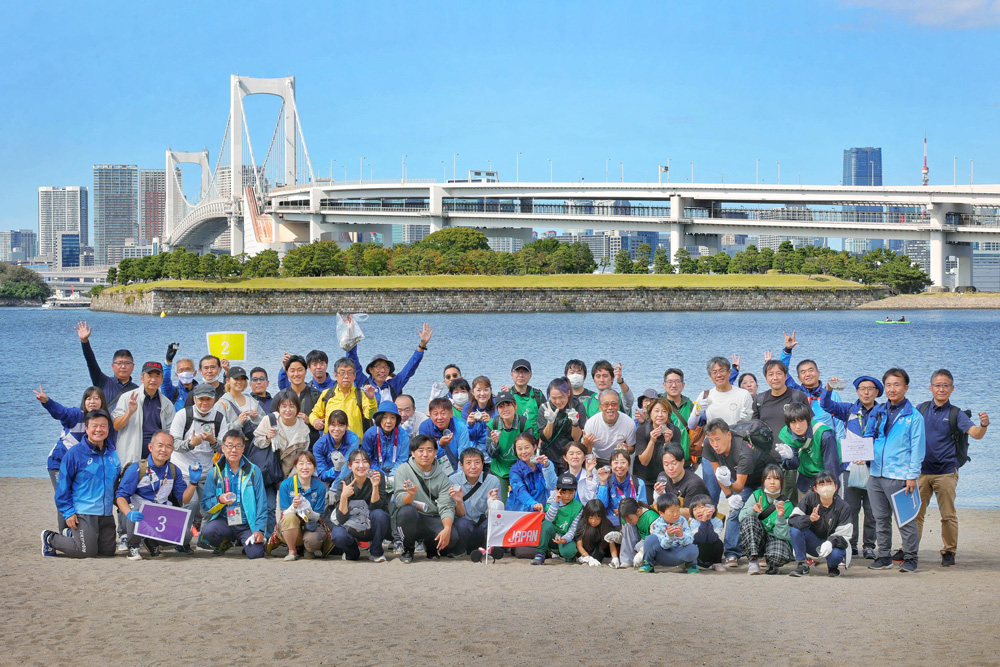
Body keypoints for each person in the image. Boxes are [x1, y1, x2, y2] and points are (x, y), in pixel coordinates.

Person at [915, 369, 989, 567]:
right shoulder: (921, 409)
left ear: (952, 388)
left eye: (946, 385)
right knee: (915, 514)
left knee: (948, 515)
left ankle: (949, 551)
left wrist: (983, 425)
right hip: (921, 472)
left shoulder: (956, 414)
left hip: (946, 472)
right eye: (938, 385)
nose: (941, 389)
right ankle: (910, 550)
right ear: (931, 388)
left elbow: (976, 434)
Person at [863, 368, 925, 573]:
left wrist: (912, 476)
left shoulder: (913, 416)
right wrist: (862, 453)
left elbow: (917, 449)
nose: (892, 389)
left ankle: (911, 558)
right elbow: (869, 436)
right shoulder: (878, 411)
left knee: (905, 520)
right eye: (888, 385)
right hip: (876, 475)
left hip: (900, 476)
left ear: (906, 388)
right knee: (880, 518)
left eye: (896, 385)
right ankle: (883, 556)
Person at [111, 360, 176, 553]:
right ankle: (124, 534)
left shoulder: (166, 404)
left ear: (161, 379)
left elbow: (170, 433)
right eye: (149, 375)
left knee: (154, 493)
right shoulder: (127, 398)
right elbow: (116, 425)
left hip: (156, 457)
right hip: (132, 455)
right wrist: (130, 412)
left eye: (157, 376)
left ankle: (148, 534)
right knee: (125, 493)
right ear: (141, 378)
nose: (153, 379)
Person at [42, 409, 121, 558]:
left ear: (108, 428)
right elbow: (62, 487)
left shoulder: (112, 453)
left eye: (103, 426)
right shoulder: (75, 453)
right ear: (86, 428)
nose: (99, 430)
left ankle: (73, 535)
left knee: (107, 552)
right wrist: (69, 513)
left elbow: (115, 483)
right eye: (94, 426)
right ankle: (49, 538)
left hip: (105, 513)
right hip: (84, 511)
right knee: (86, 551)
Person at [821, 375, 883, 559]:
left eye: (870, 388)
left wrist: (871, 456)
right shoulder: (849, 410)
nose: (866, 392)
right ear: (857, 391)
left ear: (877, 392)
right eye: (862, 388)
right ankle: (852, 544)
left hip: (873, 468)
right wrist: (828, 389)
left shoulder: (883, 412)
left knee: (872, 510)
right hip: (850, 467)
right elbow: (826, 405)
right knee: (850, 508)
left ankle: (869, 546)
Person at [114, 430, 201, 560]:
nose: (164, 450)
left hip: (160, 515)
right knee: (137, 510)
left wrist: (193, 482)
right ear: (151, 447)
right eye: (160, 445)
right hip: (137, 513)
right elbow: (120, 497)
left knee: (186, 536)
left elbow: (185, 499)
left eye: (168, 446)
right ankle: (133, 546)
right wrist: (128, 513)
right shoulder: (136, 468)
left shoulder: (173, 470)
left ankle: (151, 542)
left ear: (172, 450)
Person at [703, 418, 777, 567]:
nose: (715, 444)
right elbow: (719, 473)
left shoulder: (743, 453)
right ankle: (731, 553)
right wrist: (729, 496)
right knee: (735, 510)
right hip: (741, 479)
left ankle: (766, 552)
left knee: (766, 511)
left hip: (765, 477)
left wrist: (730, 487)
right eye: (711, 440)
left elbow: (739, 487)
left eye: (718, 439)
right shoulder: (709, 445)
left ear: (729, 435)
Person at [35, 385, 110, 531]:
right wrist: (47, 402)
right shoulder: (76, 415)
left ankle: (76, 531)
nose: (92, 401)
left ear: (102, 401)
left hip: (79, 467)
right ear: (84, 401)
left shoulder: (104, 421)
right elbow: (61, 412)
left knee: (78, 496)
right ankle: (64, 532)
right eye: (89, 398)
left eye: (96, 398)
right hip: (59, 463)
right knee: (64, 495)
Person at [688, 356, 754, 506]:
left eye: (722, 370)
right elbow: (691, 425)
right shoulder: (706, 395)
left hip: (735, 450)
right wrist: (697, 412)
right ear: (710, 376)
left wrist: (746, 419)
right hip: (712, 449)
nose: (718, 375)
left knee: (737, 492)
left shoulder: (743, 395)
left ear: (729, 372)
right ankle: (711, 520)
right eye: (714, 372)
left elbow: (749, 426)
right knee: (711, 494)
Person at [169, 382, 225, 552]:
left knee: (209, 507)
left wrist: (212, 441)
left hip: (206, 470)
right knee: (190, 504)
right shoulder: (182, 415)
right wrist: (190, 443)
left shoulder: (219, 418)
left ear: (214, 399)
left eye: (208, 399)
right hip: (183, 469)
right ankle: (182, 541)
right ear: (194, 399)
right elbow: (174, 444)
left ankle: (204, 539)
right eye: (201, 399)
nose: (204, 403)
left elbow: (224, 447)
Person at [199, 430, 268, 559]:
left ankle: (245, 542)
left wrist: (259, 529)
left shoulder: (254, 471)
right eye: (230, 446)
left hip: (247, 523)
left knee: (256, 554)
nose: (234, 450)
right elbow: (205, 503)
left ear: (243, 449)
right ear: (223, 448)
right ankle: (225, 542)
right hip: (224, 521)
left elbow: (261, 503)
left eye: (238, 446)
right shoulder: (215, 472)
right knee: (208, 532)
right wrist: (220, 499)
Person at [392, 434, 460, 563]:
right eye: (420, 450)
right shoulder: (403, 470)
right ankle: (408, 549)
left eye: (429, 450)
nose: (425, 454)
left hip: (432, 517)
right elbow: (400, 501)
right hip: (413, 517)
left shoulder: (442, 476)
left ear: (435, 452)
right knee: (406, 512)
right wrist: (411, 494)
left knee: (452, 537)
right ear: (413, 453)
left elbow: (446, 505)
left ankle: (431, 546)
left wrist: (447, 529)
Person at [753, 359, 810, 503]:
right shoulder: (760, 400)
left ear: (785, 376)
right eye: (771, 374)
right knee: (767, 501)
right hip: (767, 460)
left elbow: (809, 427)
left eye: (779, 373)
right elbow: (754, 429)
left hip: (792, 461)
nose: (775, 377)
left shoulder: (798, 397)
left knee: (790, 501)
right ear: (766, 378)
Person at [328, 449, 391, 562]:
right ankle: (352, 553)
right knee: (338, 534)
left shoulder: (377, 476)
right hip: (351, 526)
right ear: (349, 465)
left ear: (370, 464)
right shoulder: (344, 483)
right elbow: (341, 519)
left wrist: (375, 486)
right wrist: (344, 497)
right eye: (357, 462)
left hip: (371, 524)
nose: (361, 466)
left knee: (380, 515)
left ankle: (376, 552)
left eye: (365, 461)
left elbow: (377, 508)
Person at [787, 472, 853, 577]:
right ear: (815, 488)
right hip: (814, 542)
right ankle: (802, 565)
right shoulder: (809, 499)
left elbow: (845, 535)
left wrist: (830, 542)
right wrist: (809, 519)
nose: (826, 488)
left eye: (829, 484)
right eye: (821, 484)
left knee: (835, 555)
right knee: (795, 531)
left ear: (836, 487)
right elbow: (792, 520)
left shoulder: (843, 507)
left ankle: (833, 567)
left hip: (834, 545)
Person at [347, 323, 432, 402]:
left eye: (386, 367)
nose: (383, 370)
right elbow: (353, 361)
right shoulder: (362, 382)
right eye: (379, 367)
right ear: (371, 369)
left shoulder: (393, 386)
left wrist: (422, 345)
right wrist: (351, 335)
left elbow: (409, 369)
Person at [270, 451, 330, 560]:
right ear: (295, 467)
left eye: (309, 463)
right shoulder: (286, 485)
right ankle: (292, 550)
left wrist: (308, 510)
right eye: (301, 464)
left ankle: (308, 549)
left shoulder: (320, 487)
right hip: (291, 527)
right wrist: (294, 507)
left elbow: (317, 517)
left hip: (310, 526)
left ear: (314, 468)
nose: (305, 467)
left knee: (313, 540)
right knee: (290, 517)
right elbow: (285, 514)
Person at [738, 464, 795, 575]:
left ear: (782, 482)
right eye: (768, 478)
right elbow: (741, 518)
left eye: (776, 478)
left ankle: (771, 563)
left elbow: (786, 535)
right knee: (749, 520)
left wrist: (780, 518)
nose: (772, 482)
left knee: (778, 556)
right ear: (763, 481)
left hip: (775, 538)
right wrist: (752, 510)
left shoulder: (787, 504)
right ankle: (753, 561)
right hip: (758, 538)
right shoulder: (757, 495)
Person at [775, 401, 842, 495]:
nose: (798, 426)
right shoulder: (786, 434)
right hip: (805, 477)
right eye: (793, 422)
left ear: (808, 420)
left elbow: (832, 467)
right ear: (788, 424)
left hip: (826, 476)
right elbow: (792, 466)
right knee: (804, 502)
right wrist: (790, 458)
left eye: (801, 421)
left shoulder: (824, 435)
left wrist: (831, 494)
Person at [450, 448, 503, 562]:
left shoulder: (493, 481)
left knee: (492, 522)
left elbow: (495, 515)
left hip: (481, 526)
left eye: (477, 462)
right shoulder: (453, 481)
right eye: (468, 463)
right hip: (464, 526)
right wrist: (459, 501)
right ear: (461, 465)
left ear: (483, 464)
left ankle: (489, 549)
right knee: (461, 523)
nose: (473, 467)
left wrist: (492, 503)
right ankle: (461, 550)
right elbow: (459, 515)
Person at [311, 357, 378, 440]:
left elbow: (370, 414)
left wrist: (371, 399)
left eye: (349, 373)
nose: (346, 376)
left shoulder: (361, 394)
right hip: (331, 443)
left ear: (354, 375)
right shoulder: (327, 394)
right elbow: (314, 413)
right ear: (335, 375)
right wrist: (315, 421)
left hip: (355, 443)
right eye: (342, 373)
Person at [74, 321, 137, 406]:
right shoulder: (103, 382)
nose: (123, 366)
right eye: (119, 363)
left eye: (127, 363)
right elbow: (91, 362)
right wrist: (84, 341)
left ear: (133, 366)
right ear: (113, 366)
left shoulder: (137, 390)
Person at [529, 472, 585, 565]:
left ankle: (561, 553)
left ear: (575, 491)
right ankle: (541, 553)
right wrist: (556, 502)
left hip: (565, 537)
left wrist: (565, 539)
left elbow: (573, 528)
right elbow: (548, 519)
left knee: (569, 552)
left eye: (571, 492)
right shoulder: (552, 500)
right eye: (564, 492)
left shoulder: (578, 507)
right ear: (557, 490)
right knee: (546, 524)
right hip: (552, 535)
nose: (567, 496)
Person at [637, 493, 699, 574]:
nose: (676, 514)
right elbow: (663, 546)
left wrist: (681, 536)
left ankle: (691, 564)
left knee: (693, 548)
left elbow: (690, 540)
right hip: (662, 555)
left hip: (679, 553)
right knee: (650, 539)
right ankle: (648, 563)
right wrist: (669, 536)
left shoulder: (682, 520)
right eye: (672, 511)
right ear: (661, 513)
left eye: (678, 510)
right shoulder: (657, 524)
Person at [635, 398, 682, 502]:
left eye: (664, 411)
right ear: (650, 414)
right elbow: (644, 461)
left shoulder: (674, 431)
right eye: (656, 411)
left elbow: (674, 461)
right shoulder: (642, 431)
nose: (660, 415)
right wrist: (652, 441)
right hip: (645, 479)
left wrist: (668, 443)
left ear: (668, 415)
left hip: (666, 479)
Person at [487, 391, 530, 502]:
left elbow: (529, 451)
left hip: (520, 469)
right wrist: (494, 443)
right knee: (500, 503)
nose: (505, 409)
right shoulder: (493, 424)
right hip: (499, 471)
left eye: (508, 405)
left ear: (515, 406)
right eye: (501, 407)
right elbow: (491, 454)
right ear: (497, 409)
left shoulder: (524, 424)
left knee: (522, 502)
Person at [537, 377, 585, 475]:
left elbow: (576, 438)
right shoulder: (545, 408)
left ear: (568, 393)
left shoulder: (578, 407)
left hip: (569, 456)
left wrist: (575, 422)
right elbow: (545, 437)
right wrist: (550, 421)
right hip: (549, 455)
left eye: (561, 397)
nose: (558, 401)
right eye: (554, 398)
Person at [582, 389, 637, 464]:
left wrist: (626, 449)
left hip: (619, 460)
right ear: (600, 407)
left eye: (614, 404)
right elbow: (586, 451)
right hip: (597, 459)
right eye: (606, 404)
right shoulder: (591, 423)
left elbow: (632, 448)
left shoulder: (629, 422)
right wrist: (586, 443)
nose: (610, 407)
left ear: (618, 406)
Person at [505, 433, 557, 512]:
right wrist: (533, 504)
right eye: (519, 449)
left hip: (540, 511)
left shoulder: (546, 463)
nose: (523, 452)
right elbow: (520, 491)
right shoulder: (515, 470)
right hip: (518, 511)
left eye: (526, 447)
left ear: (534, 447)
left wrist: (547, 467)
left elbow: (552, 486)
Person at [419, 396, 471, 474]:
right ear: (430, 415)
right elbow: (425, 455)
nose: (439, 417)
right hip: (432, 470)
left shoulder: (461, 427)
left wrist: (459, 477)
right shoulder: (425, 427)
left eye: (443, 413)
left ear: (451, 414)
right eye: (435, 414)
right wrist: (440, 445)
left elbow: (463, 455)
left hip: (456, 469)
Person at [596, 447, 646, 526]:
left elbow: (643, 508)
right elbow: (600, 507)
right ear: (611, 465)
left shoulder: (638, 483)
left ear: (629, 465)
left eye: (623, 462)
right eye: (616, 462)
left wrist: (625, 511)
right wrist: (602, 482)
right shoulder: (607, 481)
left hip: (632, 523)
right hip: (611, 524)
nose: (619, 466)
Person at [361, 400, 410, 477]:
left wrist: (393, 475)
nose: (389, 421)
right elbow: (367, 459)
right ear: (379, 418)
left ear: (396, 420)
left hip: (396, 471)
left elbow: (402, 459)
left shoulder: (403, 435)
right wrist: (381, 475)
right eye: (384, 417)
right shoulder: (370, 434)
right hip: (374, 470)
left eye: (392, 417)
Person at [652, 443, 710, 509]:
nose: (670, 468)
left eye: (674, 463)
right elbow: (655, 505)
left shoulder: (694, 483)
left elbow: (690, 512)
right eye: (666, 464)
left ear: (682, 462)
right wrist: (658, 495)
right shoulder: (663, 477)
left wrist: (665, 505)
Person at [283, 354, 324, 446]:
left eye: (300, 370)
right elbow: (273, 423)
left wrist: (310, 421)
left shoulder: (317, 396)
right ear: (287, 373)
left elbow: (327, 424)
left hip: (311, 448)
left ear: (305, 371)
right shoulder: (281, 396)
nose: (296, 374)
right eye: (292, 371)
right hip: (287, 449)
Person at [216, 366, 264, 442]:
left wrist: (256, 418)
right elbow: (217, 430)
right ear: (228, 380)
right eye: (236, 379)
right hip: (234, 446)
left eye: (242, 379)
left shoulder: (251, 400)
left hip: (254, 444)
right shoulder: (222, 404)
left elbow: (265, 422)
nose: (239, 382)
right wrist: (238, 423)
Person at [314, 410, 361, 486]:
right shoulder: (319, 445)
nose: (336, 429)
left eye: (341, 425)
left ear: (346, 426)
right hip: (326, 478)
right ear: (328, 426)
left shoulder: (353, 439)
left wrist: (335, 487)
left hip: (347, 476)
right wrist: (335, 470)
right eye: (333, 425)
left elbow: (347, 465)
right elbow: (322, 474)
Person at [575, 499, 621, 568]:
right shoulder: (582, 524)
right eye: (590, 518)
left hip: (601, 550)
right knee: (591, 532)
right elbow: (579, 545)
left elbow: (611, 544)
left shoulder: (607, 525)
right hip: (586, 550)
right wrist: (588, 558)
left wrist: (615, 558)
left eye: (597, 519)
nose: (593, 521)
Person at [462, 376, 497, 468]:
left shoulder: (497, 405)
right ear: (473, 392)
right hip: (475, 451)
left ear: (490, 391)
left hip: (492, 451)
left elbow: (500, 431)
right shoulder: (467, 407)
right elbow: (470, 437)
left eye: (486, 389)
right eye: (478, 390)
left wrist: (491, 423)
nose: (482, 393)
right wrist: (470, 425)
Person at [687, 495, 726, 572]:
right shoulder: (693, 522)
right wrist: (704, 521)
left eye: (701, 508)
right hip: (699, 554)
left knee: (719, 543)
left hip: (711, 551)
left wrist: (708, 520)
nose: (698, 511)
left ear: (711, 508)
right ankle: (693, 563)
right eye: (695, 509)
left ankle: (717, 563)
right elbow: (700, 539)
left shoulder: (717, 521)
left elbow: (713, 539)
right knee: (693, 543)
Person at [617, 497, 657, 568]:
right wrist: (617, 536)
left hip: (654, 544)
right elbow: (626, 537)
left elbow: (656, 538)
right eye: (625, 519)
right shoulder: (629, 519)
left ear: (638, 511)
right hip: (642, 540)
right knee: (628, 526)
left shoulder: (651, 517)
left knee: (639, 546)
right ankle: (626, 560)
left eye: (630, 519)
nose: (628, 521)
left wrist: (642, 552)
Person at [507, 359, 545, 429]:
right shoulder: (507, 394)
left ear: (530, 375)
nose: (521, 375)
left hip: (533, 435)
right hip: (514, 435)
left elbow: (545, 421)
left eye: (525, 372)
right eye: (517, 371)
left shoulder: (538, 395)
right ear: (512, 374)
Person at [562, 441, 599, 505]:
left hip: (586, 510)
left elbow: (592, 501)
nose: (575, 456)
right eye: (571, 454)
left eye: (579, 453)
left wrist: (589, 474)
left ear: (584, 457)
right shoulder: (562, 478)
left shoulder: (593, 476)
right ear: (565, 458)